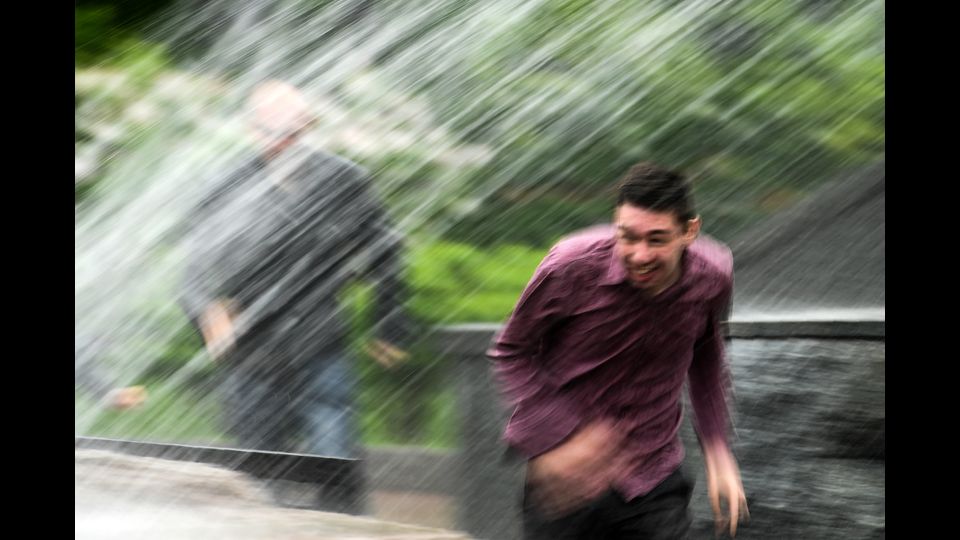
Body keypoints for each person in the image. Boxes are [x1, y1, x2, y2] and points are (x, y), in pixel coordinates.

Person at [488, 162, 748, 539]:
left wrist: (718, 450)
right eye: (628, 237)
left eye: (656, 240)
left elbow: (706, 357)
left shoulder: (713, 276)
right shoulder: (570, 268)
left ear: (689, 231)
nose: (640, 255)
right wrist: (566, 436)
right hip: (566, 481)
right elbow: (512, 350)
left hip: (653, 475)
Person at [179, 79, 413, 458]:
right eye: (270, 131)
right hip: (250, 349)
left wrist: (389, 321)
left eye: (291, 131)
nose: (281, 141)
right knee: (256, 466)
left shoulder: (342, 179)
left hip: (320, 341)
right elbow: (193, 269)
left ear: (308, 125)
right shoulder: (226, 184)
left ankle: (338, 515)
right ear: (250, 127)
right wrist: (207, 313)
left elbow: (385, 251)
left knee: (334, 459)